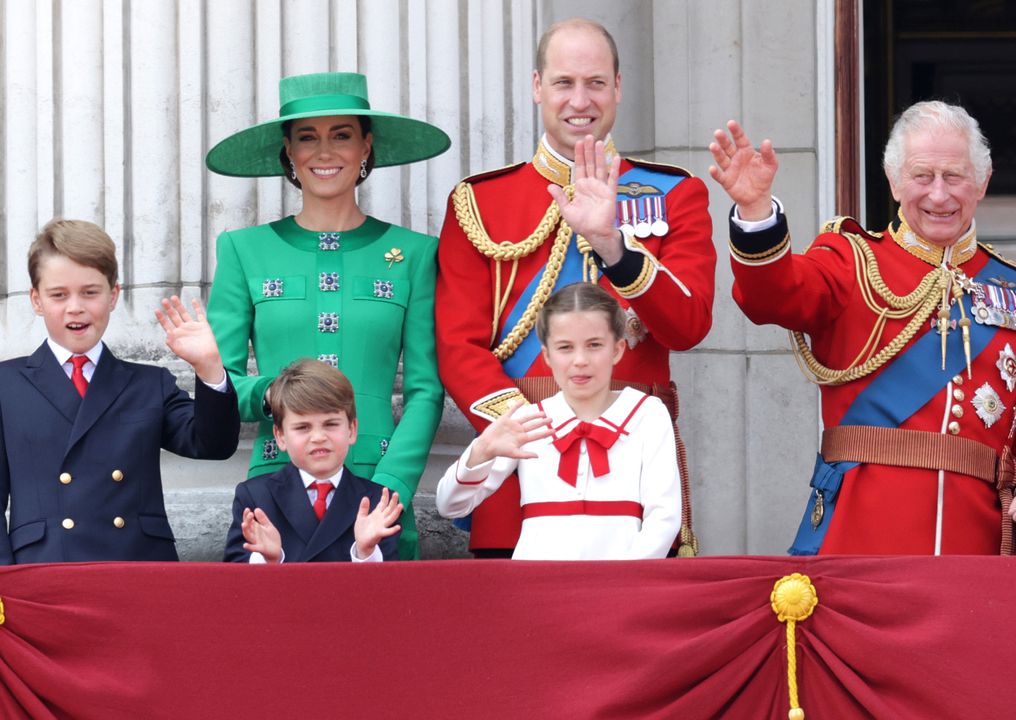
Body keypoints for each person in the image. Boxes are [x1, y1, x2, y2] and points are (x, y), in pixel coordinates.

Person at [708, 101, 1016, 556]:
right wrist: (757, 213)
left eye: (954, 176)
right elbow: (772, 296)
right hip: (860, 539)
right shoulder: (850, 261)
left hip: (974, 548)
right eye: (922, 177)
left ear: (982, 181)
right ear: (894, 181)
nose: (939, 195)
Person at [435, 18, 714, 557]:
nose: (579, 100)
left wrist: (615, 248)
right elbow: (456, 346)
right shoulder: (480, 202)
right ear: (538, 86)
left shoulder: (675, 193)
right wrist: (529, 435)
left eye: (595, 83)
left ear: (618, 86)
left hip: (633, 467)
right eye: (564, 83)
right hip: (520, 473)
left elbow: (689, 325)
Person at [205, 71, 449, 560]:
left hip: (379, 494)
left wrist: (390, 486)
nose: (324, 152)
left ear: (366, 146)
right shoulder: (242, 251)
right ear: (289, 152)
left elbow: (426, 390)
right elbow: (219, 383)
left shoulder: (416, 253)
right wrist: (274, 391)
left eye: (342, 135)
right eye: (307, 137)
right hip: (276, 489)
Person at [0, 219, 240, 563]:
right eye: (58, 295)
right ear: (36, 300)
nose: (75, 307)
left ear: (113, 295)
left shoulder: (149, 384)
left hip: (136, 567)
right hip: (45, 569)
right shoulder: (6, 384)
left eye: (90, 292)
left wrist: (209, 367)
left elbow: (213, 445)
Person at [436, 283, 680, 559]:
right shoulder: (528, 420)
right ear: (547, 356)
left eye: (594, 345)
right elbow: (450, 505)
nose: (580, 360)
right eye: (565, 348)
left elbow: (664, 517)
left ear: (618, 349)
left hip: (622, 589)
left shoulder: (648, 414)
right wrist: (482, 450)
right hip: (537, 590)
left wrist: (622, 584)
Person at [224, 359, 402, 563]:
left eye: (330, 424)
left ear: (352, 430)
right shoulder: (256, 497)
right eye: (302, 427)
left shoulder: (378, 501)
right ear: (280, 436)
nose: (318, 437)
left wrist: (365, 552)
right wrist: (270, 560)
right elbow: (234, 581)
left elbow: (390, 589)